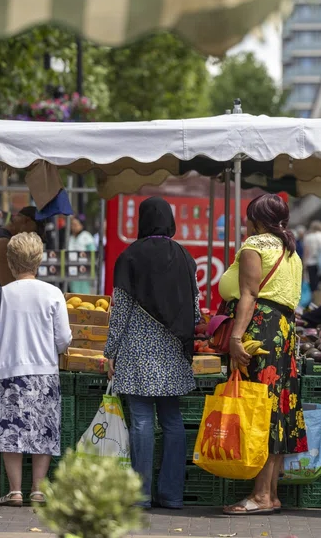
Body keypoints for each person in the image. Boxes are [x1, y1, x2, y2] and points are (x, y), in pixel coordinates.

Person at [104, 197, 199, 509]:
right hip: (174, 350)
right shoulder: (185, 256)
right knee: (172, 419)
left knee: (142, 419)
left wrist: (110, 351)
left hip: (137, 351)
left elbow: (120, 311)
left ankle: (141, 495)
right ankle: (172, 495)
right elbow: (196, 312)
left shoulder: (129, 256)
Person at [220, 194, 305, 515]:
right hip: (284, 333)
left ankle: (259, 496)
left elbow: (250, 294)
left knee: (259, 409)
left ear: (255, 220)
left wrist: (237, 337)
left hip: (261, 330)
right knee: (277, 408)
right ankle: (270, 493)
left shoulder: (255, 246)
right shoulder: (291, 252)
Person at [0, 232, 72, 506]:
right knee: (43, 431)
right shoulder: (53, 293)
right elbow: (64, 338)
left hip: (8, 372)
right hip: (44, 371)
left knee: (12, 432)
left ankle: (15, 490)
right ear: (39, 260)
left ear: (10, 263)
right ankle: (38, 489)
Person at [0, 206, 41, 298]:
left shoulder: (3, 240)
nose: (32, 238)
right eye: (34, 232)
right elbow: (11, 288)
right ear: (26, 221)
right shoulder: (3, 244)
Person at [67, 216, 97, 294]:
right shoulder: (70, 237)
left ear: (81, 225)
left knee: (84, 291)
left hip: (84, 268)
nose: (73, 227)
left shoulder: (86, 236)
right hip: (73, 268)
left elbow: (92, 253)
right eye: (72, 225)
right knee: (74, 291)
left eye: (76, 225)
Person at [302, 221, 321, 293]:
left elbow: (306, 252)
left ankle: (315, 299)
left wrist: (304, 263)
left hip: (311, 262)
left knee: (313, 284)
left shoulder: (308, 237)